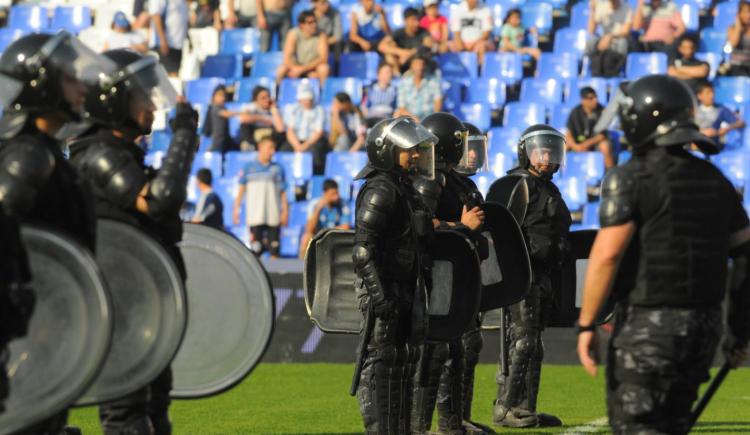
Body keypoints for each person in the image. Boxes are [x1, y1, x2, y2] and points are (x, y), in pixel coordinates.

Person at [575, 74, 750, 435]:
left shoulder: (632, 177)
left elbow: (606, 256)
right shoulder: (717, 181)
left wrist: (586, 323)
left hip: (648, 330)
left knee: (638, 425)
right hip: (704, 330)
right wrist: (740, 333)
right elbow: (746, 258)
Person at [68, 48, 199, 435]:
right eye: (142, 94)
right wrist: (185, 137)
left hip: (140, 298)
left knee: (155, 409)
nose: (153, 105)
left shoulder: (120, 150)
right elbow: (158, 201)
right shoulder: (98, 153)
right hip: (119, 300)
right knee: (127, 415)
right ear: (114, 100)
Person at [0, 31, 117, 434]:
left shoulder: (45, 151)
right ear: (41, 83)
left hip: (48, 325)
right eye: (70, 78)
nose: (82, 86)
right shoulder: (27, 154)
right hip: (30, 331)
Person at [352, 116, 436, 434]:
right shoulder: (381, 190)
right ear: (386, 151)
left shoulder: (403, 188)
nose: (415, 155)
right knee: (382, 361)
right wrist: (380, 296)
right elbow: (362, 250)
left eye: (416, 149)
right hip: (385, 289)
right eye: (407, 149)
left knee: (403, 359)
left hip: (403, 286)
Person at [411, 114, 490, 435]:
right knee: (434, 352)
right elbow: (420, 225)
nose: (466, 150)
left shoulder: (454, 181)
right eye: (460, 143)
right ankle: (419, 427)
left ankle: (452, 424)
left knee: (456, 349)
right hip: (435, 277)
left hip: (457, 277)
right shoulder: (429, 182)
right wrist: (461, 227)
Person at [493, 124, 571, 429]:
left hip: (545, 276)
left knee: (535, 344)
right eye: (541, 151)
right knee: (522, 342)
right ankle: (505, 407)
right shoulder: (513, 185)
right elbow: (499, 232)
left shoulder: (551, 189)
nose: (547, 158)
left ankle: (527, 408)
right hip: (521, 277)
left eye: (552, 152)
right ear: (526, 152)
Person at [233, 136, 289, 258]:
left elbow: (283, 192)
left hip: (273, 215)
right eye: (270, 148)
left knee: (275, 250)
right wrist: (236, 209)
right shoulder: (248, 168)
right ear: (260, 147)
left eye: (274, 148)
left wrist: (285, 211)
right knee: (255, 252)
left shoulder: (278, 169)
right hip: (255, 215)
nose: (272, 151)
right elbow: (241, 190)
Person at [281, 82, 328, 174]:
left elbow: (318, 132)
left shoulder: (319, 110)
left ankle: (315, 174)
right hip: (297, 141)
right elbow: (290, 131)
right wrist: (297, 145)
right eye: (305, 99)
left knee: (315, 151)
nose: (307, 102)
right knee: (284, 149)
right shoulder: (293, 109)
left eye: (309, 99)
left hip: (311, 141)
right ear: (300, 100)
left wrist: (304, 146)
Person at [565, 87, 616, 169]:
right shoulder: (575, 112)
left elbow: (602, 135)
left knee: (605, 145)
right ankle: (559, 173)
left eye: (595, 97)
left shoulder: (602, 110)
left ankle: (610, 172)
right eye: (591, 98)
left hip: (595, 143)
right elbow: (569, 133)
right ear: (583, 100)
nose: (595, 100)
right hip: (579, 142)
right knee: (563, 145)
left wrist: (584, 145)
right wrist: (575, 146)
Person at [299, 178, 351, 257]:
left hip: (335, 236)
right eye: (333, 194)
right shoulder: (314, 204)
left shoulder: (343, 204)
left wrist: (325, 232)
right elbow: (309, 229)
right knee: (306, 238)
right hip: (318, 236)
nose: (336, 197)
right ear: (325, 193)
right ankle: (303, 267)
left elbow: (346, 227)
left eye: (337, 193)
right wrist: (317, 210)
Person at [276, 10, 330, 86]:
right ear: (301, 25)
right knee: (281, 69)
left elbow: (323, 59)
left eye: (315, 21)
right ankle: (277, 93)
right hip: (295, 67)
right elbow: (287, 58)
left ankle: (323, 94)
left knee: (324, 69)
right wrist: (296, 68)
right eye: (310, 22)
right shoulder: (293, 33)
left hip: (312, 69)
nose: (314, 25)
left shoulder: (321, 35)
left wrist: (302, 69)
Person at [378, 7, 434, 74]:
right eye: (413, 20)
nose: (417, 23)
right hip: (400, 63)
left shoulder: (423, 31)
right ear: (405, 21)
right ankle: (397, 77)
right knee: (389, 55)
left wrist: (410, 54)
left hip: (418, 64)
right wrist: (403, 53)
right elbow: (381, 46)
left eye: (418, 20)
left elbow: (428, 45)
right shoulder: (398, 32)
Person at [586, 0, 632, 77]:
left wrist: (610, 36)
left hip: (617, 39)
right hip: (603, 40)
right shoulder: (602, 7)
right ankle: (590, 68)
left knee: (622, 43)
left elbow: (626, 31)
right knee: (590, 42)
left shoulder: (626, 8)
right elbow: (591, 30)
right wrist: (593, 10)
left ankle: (617, 70)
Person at [695, 81, 746, 148]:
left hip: (713, 147)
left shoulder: (720, 109)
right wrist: (701, 132)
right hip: (695, 146)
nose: (712, 96)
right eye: (708, 93)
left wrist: (727, 128)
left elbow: (741, 123)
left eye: (712, 92)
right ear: (699, 95)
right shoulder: (693, 110)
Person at [395, 54, 443, 121]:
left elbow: (437, 104)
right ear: (411, 66)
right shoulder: (404, 83)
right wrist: (414, 119)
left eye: (422, 64)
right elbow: (401, 107)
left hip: (428, 120)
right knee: (397, 114)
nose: (420, 67)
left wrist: (432, 120)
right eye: (416, 65)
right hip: (410, 119)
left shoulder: (433, 82)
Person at [237, 85, 285, 151]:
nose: (267, 100)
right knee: (244, 126)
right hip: (255, 134)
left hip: (270, 135)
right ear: (256, 100)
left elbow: (280, 128)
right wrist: (263, 118)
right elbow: (243, 118)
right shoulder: (251, 107)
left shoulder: (275, 109)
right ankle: (252, 147)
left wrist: (274, 109)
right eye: (263, 98)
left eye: (268, 96)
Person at [149, 0, 189, 76]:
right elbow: (155, 16)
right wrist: (162, 40)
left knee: (175, 76)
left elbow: (182, 19)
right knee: (167, 78)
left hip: (177, 45)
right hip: (165, 44)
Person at [450, 0, 494, 65]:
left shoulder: (485, 9)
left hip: (480, 42)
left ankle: (479, 71)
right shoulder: (458, 9)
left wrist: (476, 43)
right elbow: (456, 31)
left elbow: (487, 32)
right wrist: (460, 42)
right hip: (463, 42)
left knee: (481, 47)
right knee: (448, 46)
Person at [204, 85, 242, 153]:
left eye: (224, 95)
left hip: (226, 139)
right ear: (214, 96)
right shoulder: (215, 107)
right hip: (218, 141)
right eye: (220, 95)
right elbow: (226, 114)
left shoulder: (223, 107)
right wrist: (240, 113)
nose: (223, 97)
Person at [725, 0, 750, 76]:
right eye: (745, 12)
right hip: (736, 66)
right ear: (739, 14)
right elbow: (733, 43)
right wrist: (738, 26)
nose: (748, 15)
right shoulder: (731, 29)